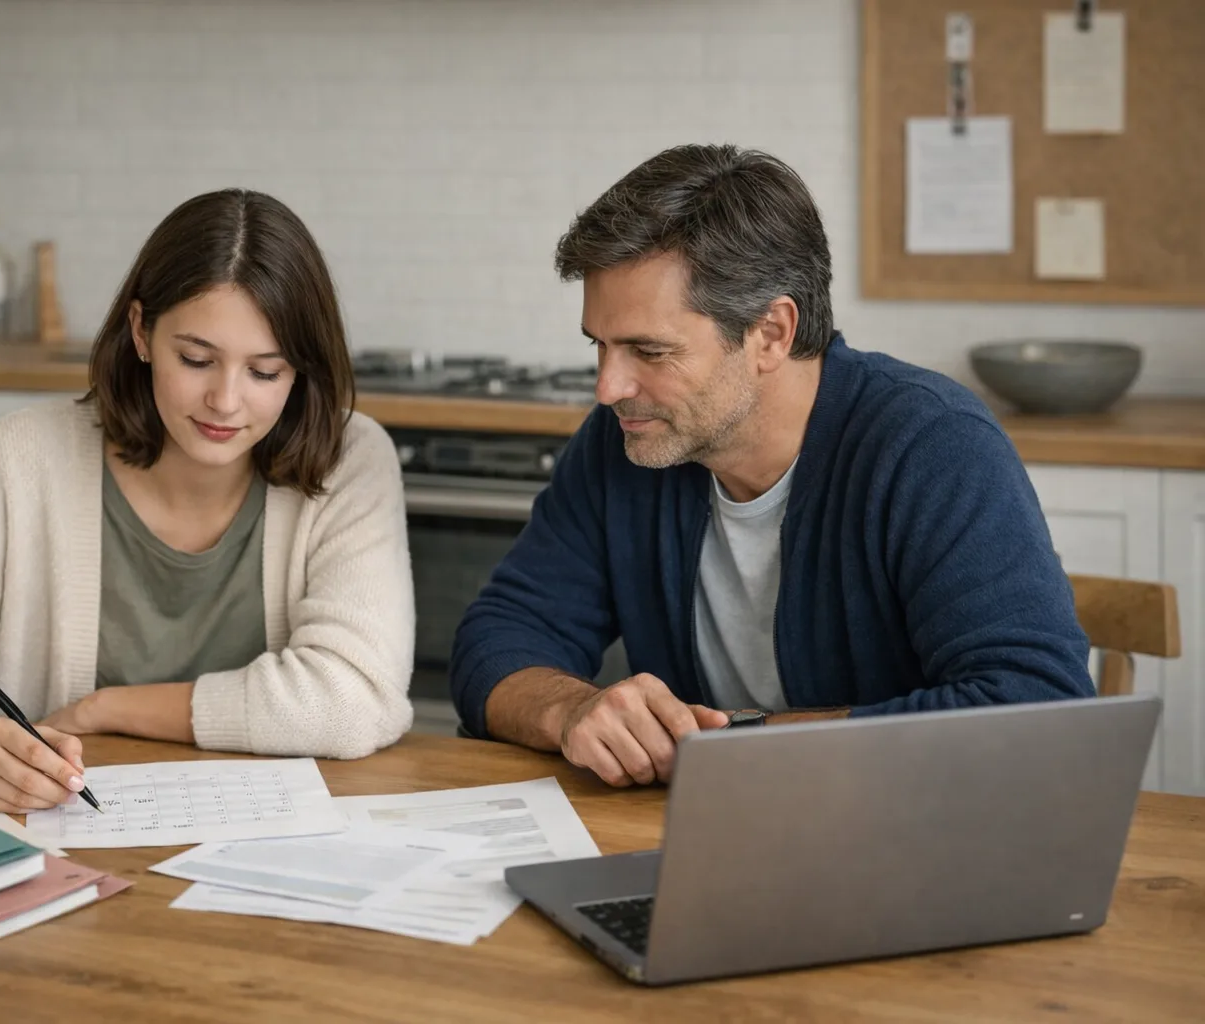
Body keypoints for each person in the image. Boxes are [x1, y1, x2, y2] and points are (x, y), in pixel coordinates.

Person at [450, 144, 1093, 788]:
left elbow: (1039, 709)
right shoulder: (620, 445)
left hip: (909, 842)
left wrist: (733, 744)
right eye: (601, 347)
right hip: (699, 836)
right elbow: (499, 640)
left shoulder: (930, 443)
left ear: (772, 333)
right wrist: (573, 709)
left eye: (649, 351)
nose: (608, 388)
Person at [0, 190, 416, 812]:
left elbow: (354, 698)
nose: (226, 401)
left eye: (266, 372)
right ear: (141, 332)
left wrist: (108, 708)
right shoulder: (23, 455)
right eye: (196, 359)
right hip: (60, 843)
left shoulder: (350, 458)